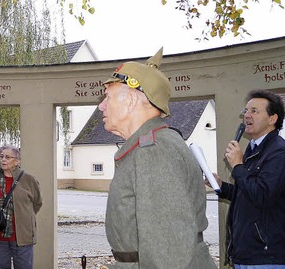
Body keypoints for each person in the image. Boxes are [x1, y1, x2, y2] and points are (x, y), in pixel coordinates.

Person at [99, 48, 216, 268]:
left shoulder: (154, 151)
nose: (101, 105)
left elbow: (168, 254)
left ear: (131, 100)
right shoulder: (151, 145)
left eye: (108, 97)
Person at [210, 90, 285, 267]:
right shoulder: (254, 149)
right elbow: (248, 192)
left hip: (265, 257)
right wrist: (222, 186)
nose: (247, 115)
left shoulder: (278, 153)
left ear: (272, 119)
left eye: (254, 111)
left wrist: (237, 166)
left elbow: (262, 195)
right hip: (245, 254)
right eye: (246, 111)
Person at [0, 145, 42, 269]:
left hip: (22, 237)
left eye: (8, 157)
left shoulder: (29, 180)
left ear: (17, 161)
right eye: (1, 156)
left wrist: (24, 217)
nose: (3, 160)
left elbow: (37, 203)